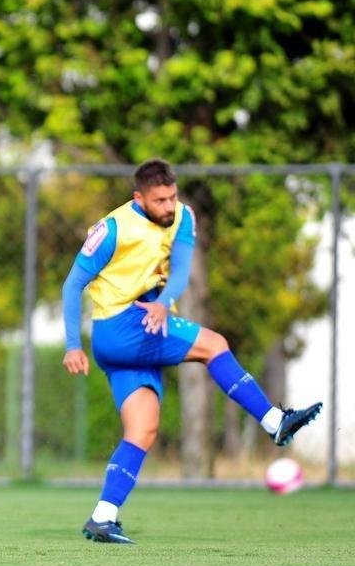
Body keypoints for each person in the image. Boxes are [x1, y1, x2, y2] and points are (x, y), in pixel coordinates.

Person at [61, 159, 322, 544]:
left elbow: (181, 270)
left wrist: (165, 301)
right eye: (159, 200)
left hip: (147, 324)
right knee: (214, 345)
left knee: (143, 428)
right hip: (120, 326)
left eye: (172, 196)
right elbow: (72, 285)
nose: (168, 206)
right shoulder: (113, 228)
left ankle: (103, 516)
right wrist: (71, 345)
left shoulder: (183, 217)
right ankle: (273, 421)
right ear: (139, 198)